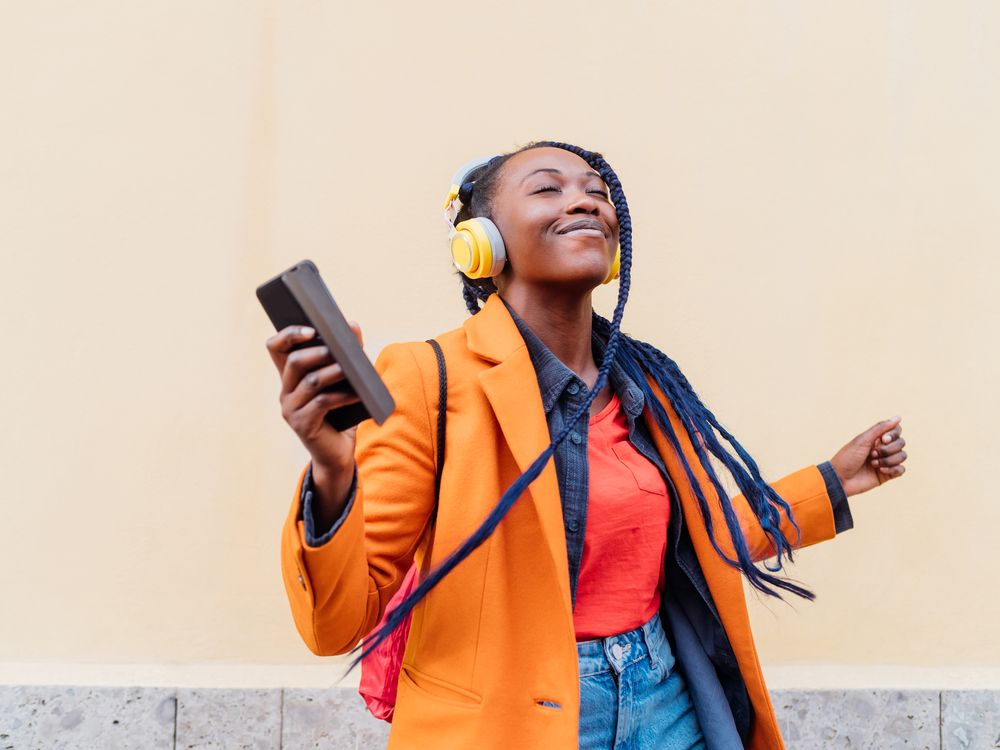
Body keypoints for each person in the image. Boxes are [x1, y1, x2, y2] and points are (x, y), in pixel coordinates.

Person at [265, 141, 908, 749]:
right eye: (547, 189)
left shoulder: (646, 382)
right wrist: (331, 466)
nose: (585, 202)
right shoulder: (428, 376)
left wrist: (833, 481)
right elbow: (340, 621)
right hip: (513, 721)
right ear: (481, 245)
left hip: (665, 700)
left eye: (597, 193)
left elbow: (696, 540)